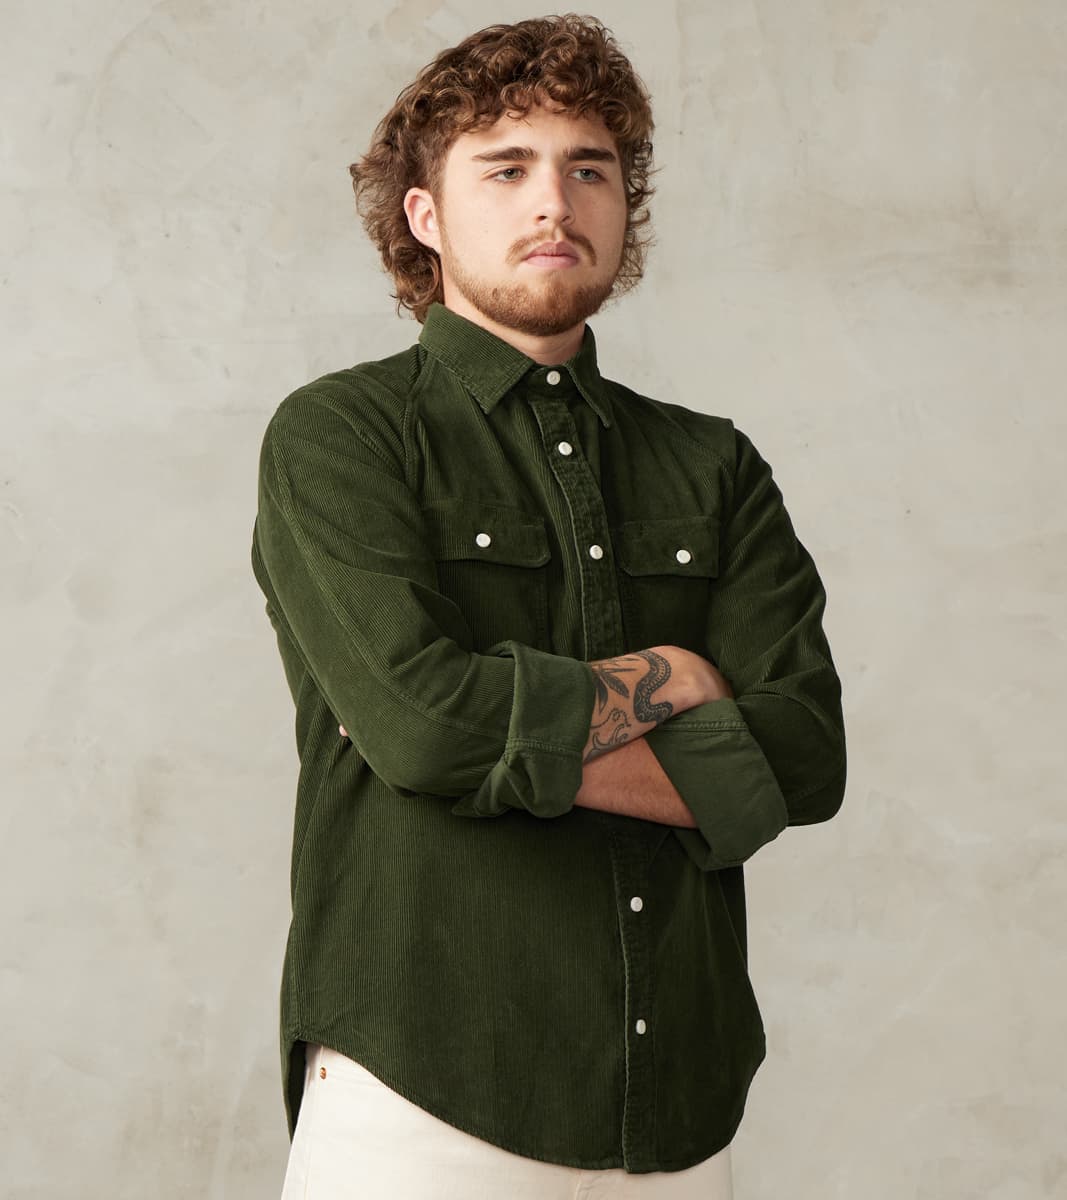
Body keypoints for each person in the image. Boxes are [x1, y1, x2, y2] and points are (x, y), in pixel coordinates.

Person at [251, 14, 846, 1199]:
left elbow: (804, 757)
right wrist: (679, 682)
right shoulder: (341, 437)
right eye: (505, 168)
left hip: (675, 1116)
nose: (552, 203)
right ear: (424, 214)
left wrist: (487, 739)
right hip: (421, 1099)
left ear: (624, 205)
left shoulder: (712, 465)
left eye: (588, 169)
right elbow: (425, 726)